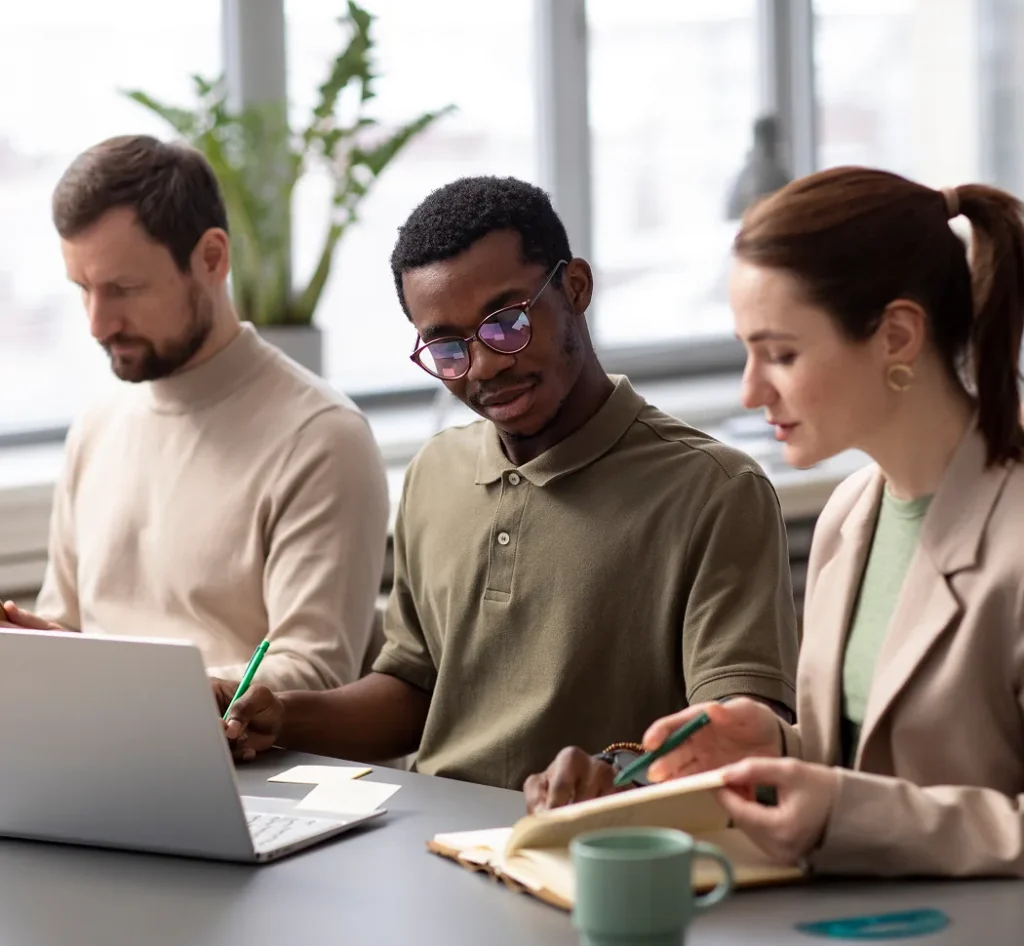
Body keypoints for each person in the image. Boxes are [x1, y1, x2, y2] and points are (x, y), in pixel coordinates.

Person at [220, 175, 799, 790]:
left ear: (576, 289)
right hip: (426, 831)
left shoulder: (715, 490)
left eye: (506, 322)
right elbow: (415, 690)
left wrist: (616, 777)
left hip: (590, 836)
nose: (486, 365)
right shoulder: (435, 473)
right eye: (448, 348)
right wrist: (280, 715)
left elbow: (737, 738)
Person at [531, 165, 1024, 878]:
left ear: (897, 336)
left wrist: (837, 810)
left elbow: (874, 808)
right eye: (746, 351)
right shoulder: (850, 516)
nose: (750, 390)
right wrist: (776, 748)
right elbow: (873, 767)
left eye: (781, 354)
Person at [1, 135, 389, 695]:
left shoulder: (322, 439)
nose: (97, 324)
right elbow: (66, 632)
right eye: (83, 289)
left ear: (211, 258)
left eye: (123, 289)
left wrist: (125, 690)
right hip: (95, 738)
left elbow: (313, 674)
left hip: (234, 751)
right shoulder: (96, 428)